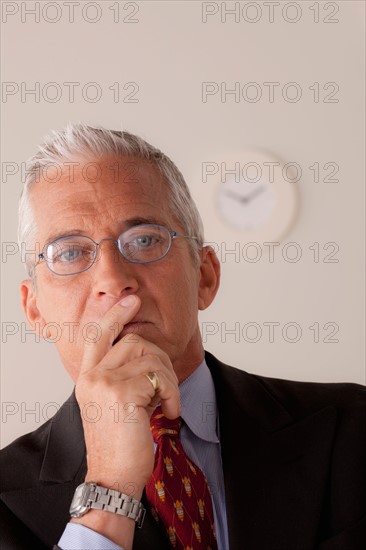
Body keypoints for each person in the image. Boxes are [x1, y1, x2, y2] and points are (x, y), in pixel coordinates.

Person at [0, 124, 365, 550]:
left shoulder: (352, 429)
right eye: (69, 252)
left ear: (205, 277)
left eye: (143, 240)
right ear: (35, 310)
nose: (113, 280)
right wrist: (110, 489)